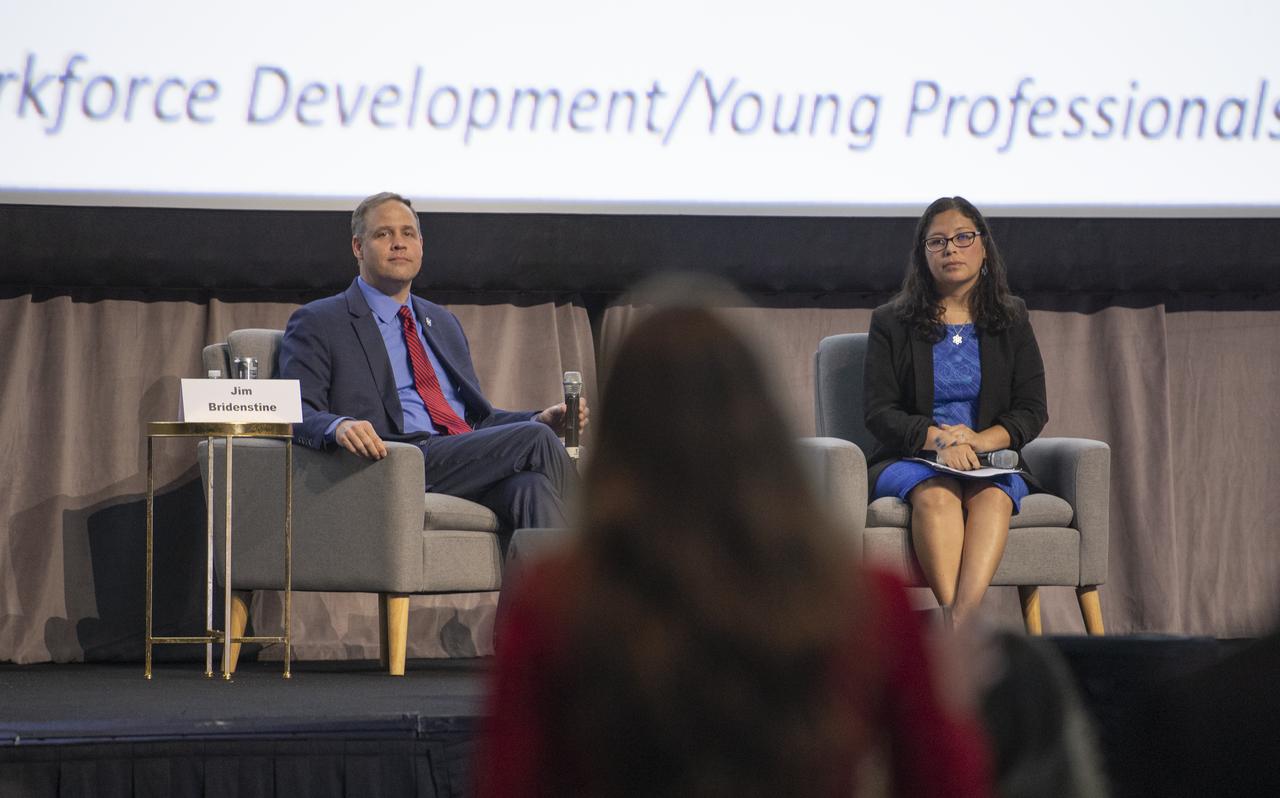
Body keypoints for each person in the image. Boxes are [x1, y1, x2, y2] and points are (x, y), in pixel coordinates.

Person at [475, 302, 991, 797]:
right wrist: (954, 705)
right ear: (763, 421)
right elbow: (943, 784)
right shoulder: (869, 602)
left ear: (619, 434)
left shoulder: (553, 604)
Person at [279, 191, 586, 530]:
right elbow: (295, 412)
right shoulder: (320, 321)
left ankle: (567, 584)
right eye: (383, 234)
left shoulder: (442, 322)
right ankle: (609, 559)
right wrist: (339, 426)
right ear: (358, 247)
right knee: (536, 440)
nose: (399, 243)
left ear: (421, 246)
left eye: (408, 234)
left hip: (455, 457)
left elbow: (473, 420)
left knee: (532, 488)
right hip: (395, 457)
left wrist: (538, 418)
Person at [863, 196, 1047, 627]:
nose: (951, 249)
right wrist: (941, 440)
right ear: (922, 255)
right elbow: (879, 412)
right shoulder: (891, 321)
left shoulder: (1012, 317)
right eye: (938, 241)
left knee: (994, 498)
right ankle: (963, 632)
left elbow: (1032, 409)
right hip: (913, 456)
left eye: (963, 237)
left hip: (986, 459)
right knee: (937, 496)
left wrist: (981, 441)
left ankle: (956, 626)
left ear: (984, 248)